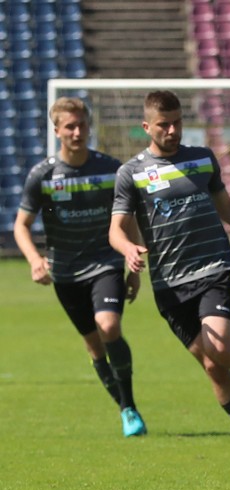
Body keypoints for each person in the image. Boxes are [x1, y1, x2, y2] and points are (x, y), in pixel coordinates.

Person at [109, 90, 230, 466]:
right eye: (164, 124)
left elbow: (226, 207)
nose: (173, 129)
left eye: (178, 121)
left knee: (221, 348)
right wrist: (128, 249)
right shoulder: (131, 173)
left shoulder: (201, 159)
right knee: (214, 367)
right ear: (147, 126)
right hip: (168, 285)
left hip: (212, 268)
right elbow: (116, 229)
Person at [13, 97, 147, 437]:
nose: (77, 132)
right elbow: (21, 225)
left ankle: (129, 405)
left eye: (82, 125)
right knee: (93, 345)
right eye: (69, 127)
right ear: (57, 130)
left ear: (89, 127)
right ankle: (125, 408)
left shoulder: (110, 169)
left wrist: (133, 263)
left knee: (109, 325)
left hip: (105, 264)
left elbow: (126, 217)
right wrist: (34, 261)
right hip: (66, 273)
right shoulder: (42, 175)